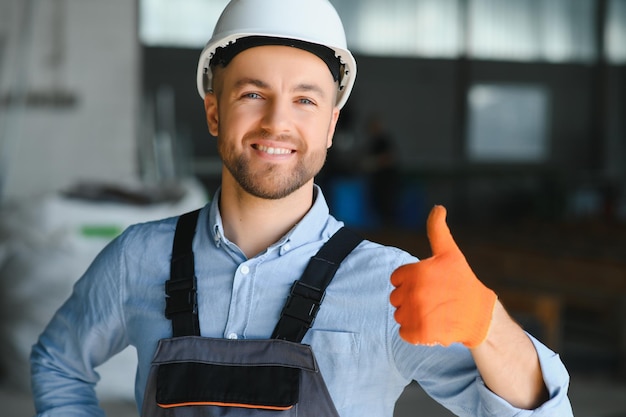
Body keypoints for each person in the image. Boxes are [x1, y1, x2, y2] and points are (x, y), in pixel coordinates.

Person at [30, 0, 573, 416]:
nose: (276, 123)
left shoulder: (389, 286)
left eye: (306, 100)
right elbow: (57, 361)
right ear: (214, 112)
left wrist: (488, 324)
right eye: (252, 94)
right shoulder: (137, 257)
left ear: (332, 126)